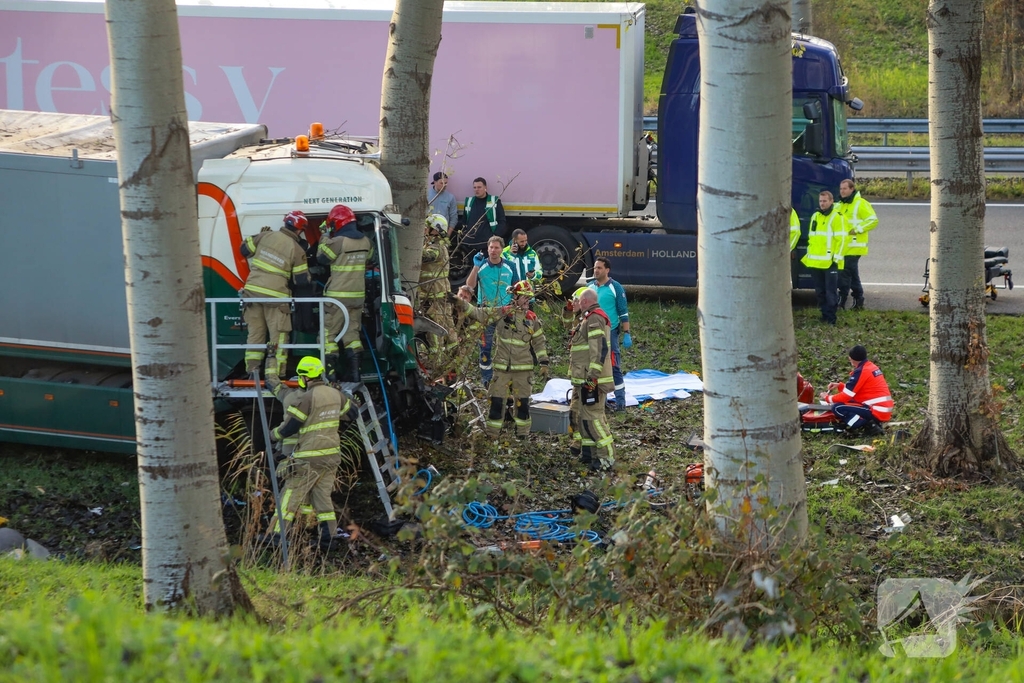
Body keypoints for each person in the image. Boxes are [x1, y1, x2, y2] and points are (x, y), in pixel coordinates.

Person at [268, 356, 354, 548]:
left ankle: (276, 535)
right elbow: (352, 413)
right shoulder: (336, 394)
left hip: (309, 458)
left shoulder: (307, 398)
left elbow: (290, 427)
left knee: (290, 494)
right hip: (332, 457)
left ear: (305, 377)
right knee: (322, 497)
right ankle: (329, 537)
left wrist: (272, 435)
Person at [455, 280, 548, 439]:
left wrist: (544, 362)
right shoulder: (503, 312)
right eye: (524, 297)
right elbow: (479, 313)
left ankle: (522, 437)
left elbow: (539, 342)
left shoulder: (532, 318)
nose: (527, 301)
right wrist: (461, 303)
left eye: (529, 298)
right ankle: (492, 437)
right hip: (501, 369)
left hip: (523, 371)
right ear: (516, 297)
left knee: (522, 405)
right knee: (496, 403)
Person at [239, 211, 311, 381]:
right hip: (276, 300)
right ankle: (276, 376)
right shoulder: (297, 249)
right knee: (278, 338)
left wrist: (260, 235)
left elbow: (244, 249)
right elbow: (302, 281)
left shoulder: (265, 235)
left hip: (252, 295)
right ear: (299, 231)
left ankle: (252, 373)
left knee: (255, 335)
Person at [318, 204, 370, 382]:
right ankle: (355, 374)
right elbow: (369, 259)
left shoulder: (337, 241)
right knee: (352, 335)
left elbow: (321, 258)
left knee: (327, 335)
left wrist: (324, 235)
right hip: (357, 297)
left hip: (337, 297)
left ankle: (330, 375)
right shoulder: (366, 242)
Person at [568, 287, 615, 471]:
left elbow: (599, 349)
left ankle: (607, 457)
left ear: (585, 301)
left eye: (578, 300)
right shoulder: (587, 318)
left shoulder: (595, 318)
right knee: (584, 418)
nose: (576, 303)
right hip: (584, 378)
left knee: (594, 418)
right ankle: (590, 454)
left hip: (593, 380)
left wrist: (592, 377)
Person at [462, 235, 515, 385]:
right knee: (485, 346)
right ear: (487, 248)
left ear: (501, 249)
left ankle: (505, 377)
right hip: (485, 312)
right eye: (491, 247)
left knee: (506, 346)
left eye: (496, 247)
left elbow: (518, 287)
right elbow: (469, 286)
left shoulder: (510, 266)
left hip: (505, 312)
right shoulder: (481, 265)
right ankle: (486, 378)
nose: (493, 250)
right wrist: (475, 267)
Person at [820, 345, 893, 436]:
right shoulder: (871, 367)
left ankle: (866, 426)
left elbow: (846, 396)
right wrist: (840, 386)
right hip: (882, 409)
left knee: (837, 408)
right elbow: (858, 390)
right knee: (846, 403)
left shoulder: (861, 371)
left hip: (876, 410)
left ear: (851, 359)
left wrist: (827, 398)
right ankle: (869, 423)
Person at [589, 256, 631, 411]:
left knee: (613, 367)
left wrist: (626, 332)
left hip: (610, 332)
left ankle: (620, 403)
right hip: (592, 333)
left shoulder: (616, 287)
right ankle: (601, 401)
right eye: (595, 267)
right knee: (596, 366)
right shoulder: (590, 288)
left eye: (599, 268)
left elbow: (623, 312)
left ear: (607, 270)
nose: (596, 270)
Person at [801, 190, 848, 325]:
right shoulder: (815, 216)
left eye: (825, 201)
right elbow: (812, 238)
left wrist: (836, 259)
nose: (822, 204)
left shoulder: (837, 217)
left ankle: (831, 319)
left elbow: (842, 240)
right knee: (820, 292)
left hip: (829, 263)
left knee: (831, 292)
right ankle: (824, 315)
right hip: (815, 261)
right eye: (820, 201)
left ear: (831, 201)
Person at [836, 179, 878, 310]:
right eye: (841, 188)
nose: (842, 191)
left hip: (854, 246)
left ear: (852, 189)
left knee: (845, 273)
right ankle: (858, 299)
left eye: (845, 188)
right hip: (843, 246)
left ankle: (842, 299)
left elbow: (873, 220)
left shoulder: (860, 203)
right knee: (851, 273)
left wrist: (857, 229)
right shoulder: (839, 205)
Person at [419, 214, 457, 352]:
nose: (424, 230)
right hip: (435, 294)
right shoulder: (434, 244)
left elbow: (427, 256)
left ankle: (437, 361)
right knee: (447, 327)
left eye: (427, 227)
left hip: (434, 296)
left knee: (435, 329)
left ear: (435, 230)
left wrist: (413, 246)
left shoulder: (436, 247)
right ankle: (453, 359)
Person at [461, 177, 507, 254]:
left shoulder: (494, 201)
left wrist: (495, 236)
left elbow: (502, 221)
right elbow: (464, 220)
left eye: (479, 187)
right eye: (474, 187)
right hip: (470, 243)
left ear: (485, 187)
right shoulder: (469, 201)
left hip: (486, 244)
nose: (476, 189)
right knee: (472, 265)